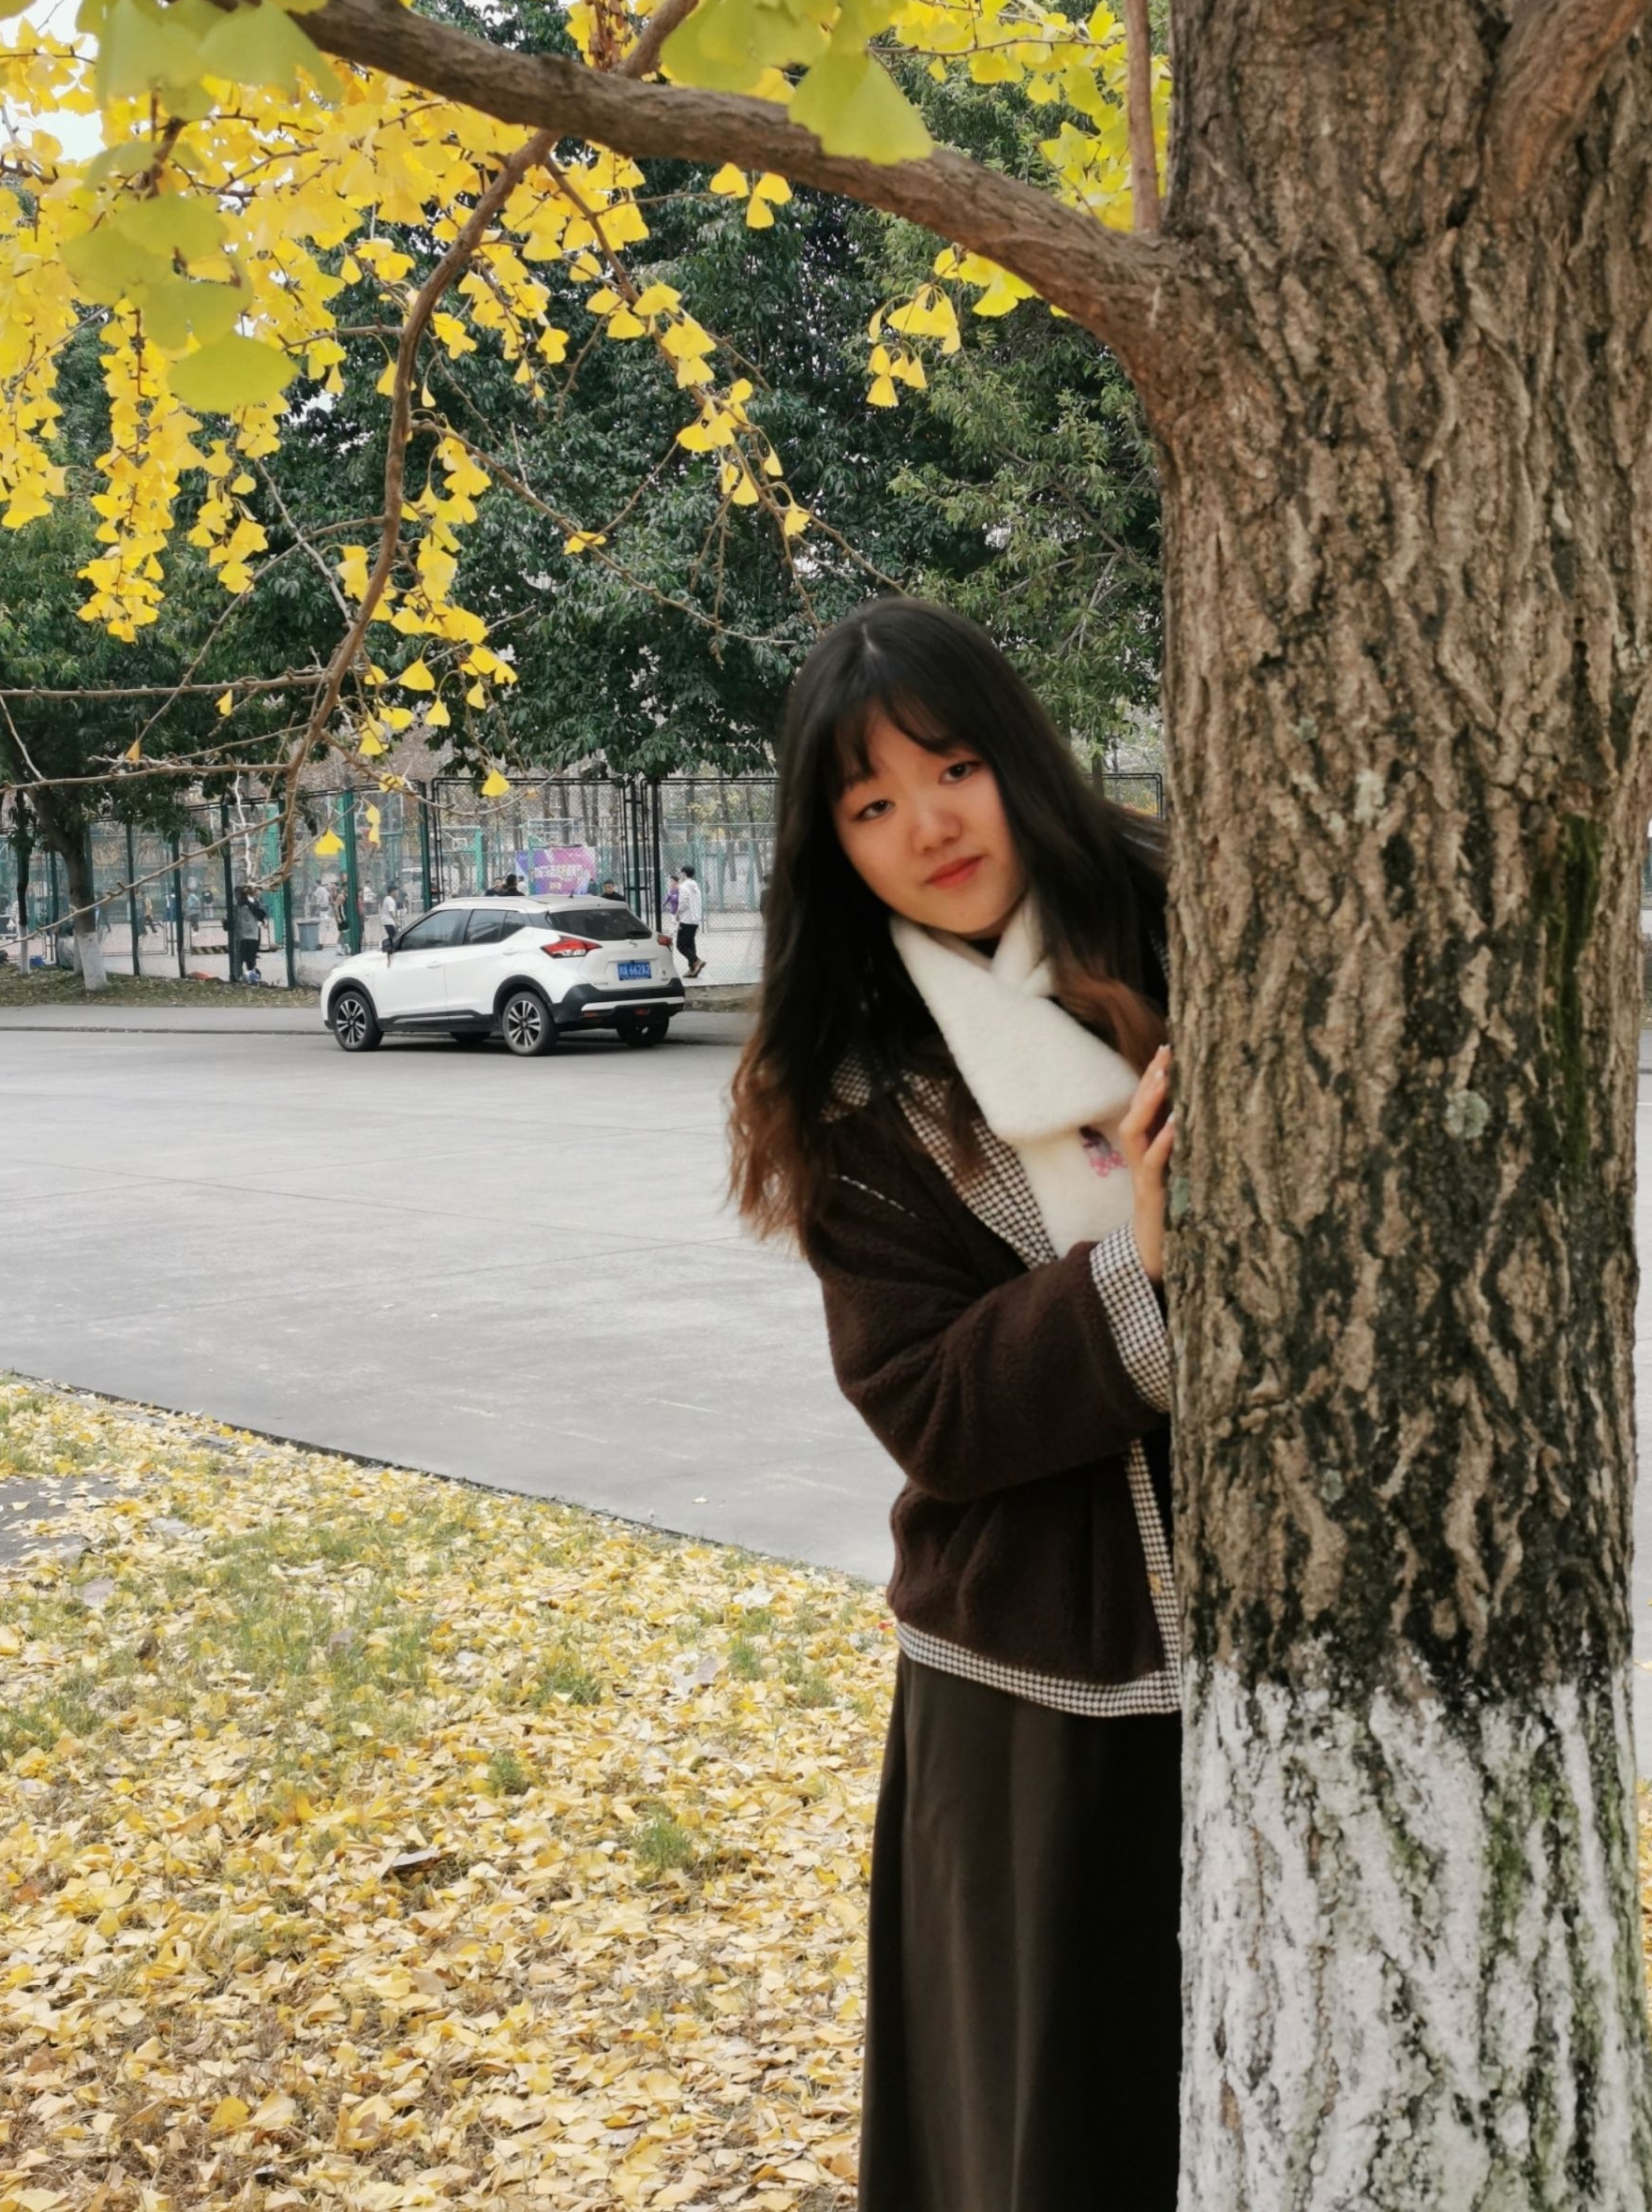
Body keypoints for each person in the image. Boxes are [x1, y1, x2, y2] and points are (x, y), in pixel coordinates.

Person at [729, 598, 1177, 2212]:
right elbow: (927, 1403)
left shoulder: (1196, 928)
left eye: (954, 767)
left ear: (1019, 759)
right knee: (1057, 2128)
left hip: (1293, 1642)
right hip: (1037, 1681)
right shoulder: (853, 1091)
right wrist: (1143, 1269)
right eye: (870, 803)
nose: (927, 826)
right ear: (831, 849)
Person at [231, 883, 269, 984]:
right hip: (244, 938)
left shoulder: (248, 904)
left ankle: (252, 979)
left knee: (249, 961)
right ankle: (241, 979)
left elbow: (261, 914)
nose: (236, 897)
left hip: (249, 937)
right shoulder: (239, 906)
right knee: (241, 961)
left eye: (237, 894)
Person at [673, 863, 705, 979]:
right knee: (690, 944)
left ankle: (696, 961)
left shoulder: (683, 886)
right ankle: (692, 969)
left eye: (681, 873)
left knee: (680, 945)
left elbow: (683, 902)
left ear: (684, 874)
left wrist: (678, 914)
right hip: (695, 919)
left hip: (686, 919)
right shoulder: (696, 887)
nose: (680, 875)